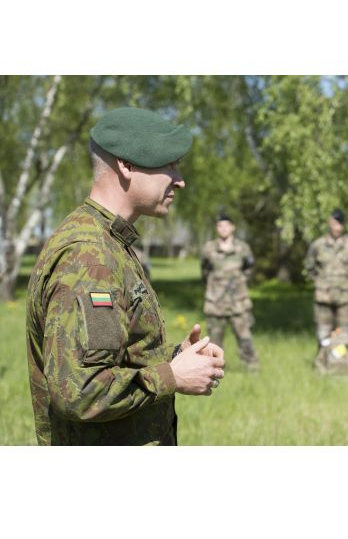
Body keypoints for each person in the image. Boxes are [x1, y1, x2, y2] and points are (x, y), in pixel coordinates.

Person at [26, 107, 225, 446]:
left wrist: (175, 357)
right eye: (169, 164)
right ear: (126, 165)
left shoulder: (108, 241)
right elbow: (79, 391)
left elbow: (114, 358)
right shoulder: (88, 258)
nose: (179, 179)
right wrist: (172, 377)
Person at [201, 213, 259, 371]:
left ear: (233, 227)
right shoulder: (209, 248)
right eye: (220, 225)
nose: (223, 228)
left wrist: (239, 283)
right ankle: (212, 372)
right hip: (216, 303)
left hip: (238, 302)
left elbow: (249, 268)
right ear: (216, 228)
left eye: (227, 225)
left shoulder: (243, 248)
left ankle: (252, 368)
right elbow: (205, 271)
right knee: (214, 342)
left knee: (245, 338)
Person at [305, 209, 348, 368]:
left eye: (340, 223)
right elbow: (310, 267)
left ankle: (342, 363)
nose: (337, 227)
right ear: (329, 224)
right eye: (334, 223)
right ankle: (323, 362)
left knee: (344, 332)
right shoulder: (318, 245)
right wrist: (321, 281)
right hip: (323, 296)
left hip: (345, 297)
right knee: (323, 332)